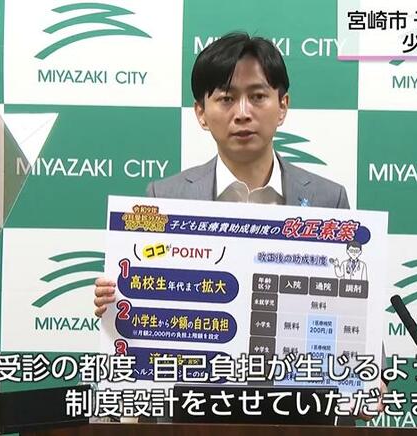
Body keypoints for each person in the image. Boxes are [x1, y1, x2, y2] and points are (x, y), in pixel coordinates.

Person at [94, 31, 349, 316]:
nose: (242, 113)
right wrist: (120, 300)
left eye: (258, 96)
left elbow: (349, 308)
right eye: (227, 99)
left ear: (282, 106)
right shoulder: (164, 198)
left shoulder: (329, 200)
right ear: (201, 113)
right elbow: (150, 290)